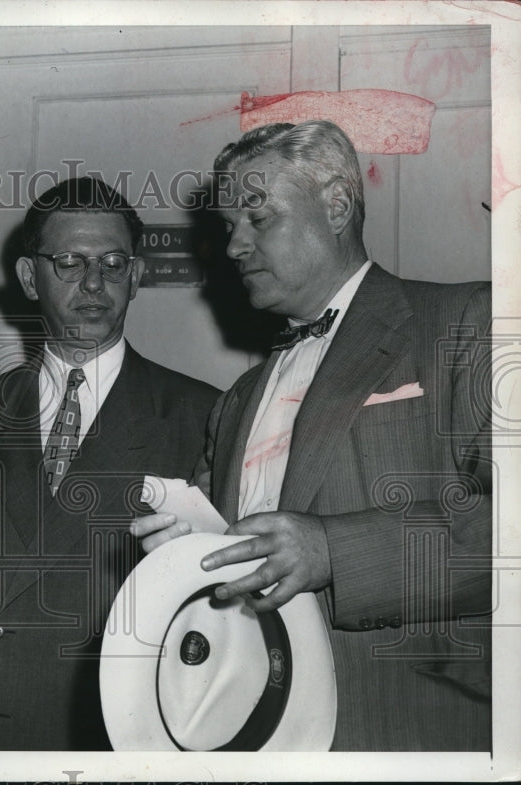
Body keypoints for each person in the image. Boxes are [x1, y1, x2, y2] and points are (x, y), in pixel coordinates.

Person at [134, 120, 492, 751]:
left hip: (407, 735)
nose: (236, 245)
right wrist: (189, 549)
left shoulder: (464, 321)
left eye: (258, 217)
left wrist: (335, 551)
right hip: (254, 735)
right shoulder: (239, 400)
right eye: (227, 227)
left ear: (336, 205)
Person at [0, 177, 221, 750]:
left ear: (138, 276)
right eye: (69, 261)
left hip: (120, 734)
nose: (94, 282)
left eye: (113, 261)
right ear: (30, 278)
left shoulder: (199, 415)